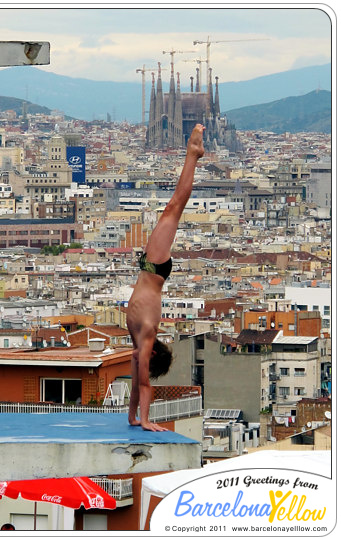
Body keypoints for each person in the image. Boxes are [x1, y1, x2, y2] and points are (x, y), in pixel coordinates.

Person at [127, 124, 205, 431]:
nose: (142, 361)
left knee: (173, 208)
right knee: (174, 207)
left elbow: (137, 383)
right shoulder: (145, 335)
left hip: (150, 267)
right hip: (154, 268)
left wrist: (134, 417)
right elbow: (145, 384)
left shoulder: (138, 343)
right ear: (153, 353)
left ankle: (193, 154)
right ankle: (192, 154)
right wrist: (146, 419)